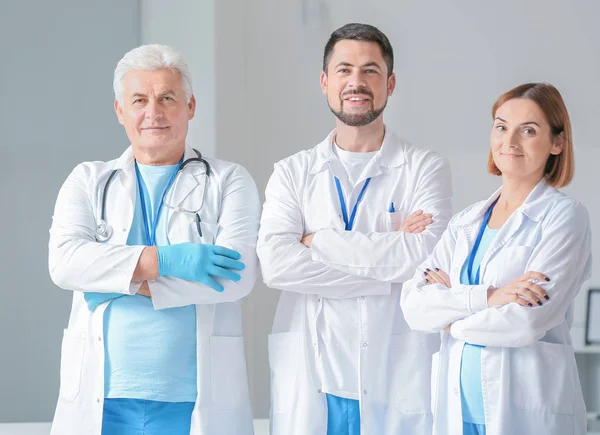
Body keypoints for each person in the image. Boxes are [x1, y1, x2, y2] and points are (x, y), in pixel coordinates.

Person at [48, 44, 260, 435]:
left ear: (190, 105)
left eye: (167, 98)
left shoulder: (229, 180)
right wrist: (172, 260)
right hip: (102, 399)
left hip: (192, 401)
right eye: (140, 100)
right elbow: (66, 264)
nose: (153, 113)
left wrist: (116, 282)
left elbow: (236, 276)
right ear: (120, 110)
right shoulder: (88, 180)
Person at [257, 23, 452, 435]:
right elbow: (276, 266)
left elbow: (424, 256)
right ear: (325, 82)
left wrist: (318, 241)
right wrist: (388, 260)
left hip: (394, 373)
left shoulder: (425, 167)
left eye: (370, 70)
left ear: (390, 83)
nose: (356, 82)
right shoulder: (292, 173)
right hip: (316, 378)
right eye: (344, 70)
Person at [401, 82, 591, 435]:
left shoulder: (565, 217)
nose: (510, 141)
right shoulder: (466, 222)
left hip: (525, 412)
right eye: (502, 127)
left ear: (557, 142)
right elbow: (414, 306)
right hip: (458, 411)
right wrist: (489, 297)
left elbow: (525, 323)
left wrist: (451, 322)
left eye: (529, 130)